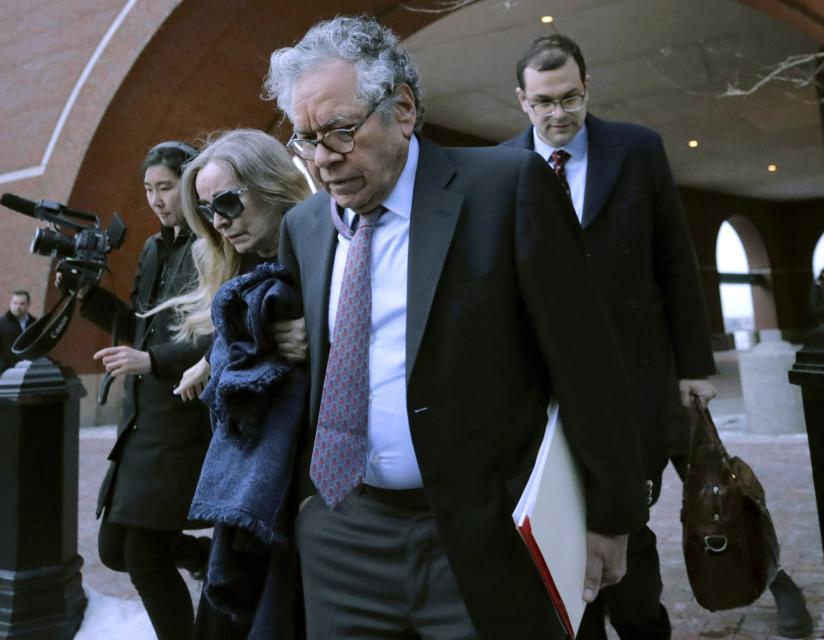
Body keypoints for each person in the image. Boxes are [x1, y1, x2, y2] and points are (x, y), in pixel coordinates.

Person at [264, 16, 647, 639]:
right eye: (305, 140)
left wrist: (610, 516)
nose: (323, 160)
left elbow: (587, 362)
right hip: (344, 534)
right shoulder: (305, 229)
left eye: (339, 131)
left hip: (482, 532)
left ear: (404, 109)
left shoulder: (508, 189)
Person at [502, 34, 717, 640]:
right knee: (559, 517)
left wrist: (693, 367)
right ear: (522, 101)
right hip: (544, 389)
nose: (558, 113)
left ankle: (642, 620)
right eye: (543, 102)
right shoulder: (501, 168)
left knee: (628, 513)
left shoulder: (637, 150)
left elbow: (676, 260)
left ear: (587, 87)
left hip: (633, 378)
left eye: (569, 97)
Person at [151, 128, 312, 639]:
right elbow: (234, 340)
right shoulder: (241, 267)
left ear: (270, 184)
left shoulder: (322, 246)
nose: (219, 222)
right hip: (252, 489)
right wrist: (215, 358)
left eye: (227, 203)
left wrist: (317, 330)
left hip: (304, 489)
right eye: (207, 211)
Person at [74, 141, 213, 640]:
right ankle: (203, 555)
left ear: (191, 184)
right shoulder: (155, 248)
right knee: (113, 548)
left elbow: (212, 334)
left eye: (167, 187)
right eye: (149, 189)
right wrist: (88, 295)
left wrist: (152, 360)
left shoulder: (212, 245)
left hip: (182, 413)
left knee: (143, 555)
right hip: (142, 416)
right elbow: (139, 326)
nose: (156, 199)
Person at [0, 290, 36, 372]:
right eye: (15, 303)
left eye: (22, 304)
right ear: (10, 303)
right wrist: (4, 367)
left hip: (30, 371)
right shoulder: (1, 324)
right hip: (6, 372)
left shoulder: (34, 324)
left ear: (28, 305)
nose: (17, 307)